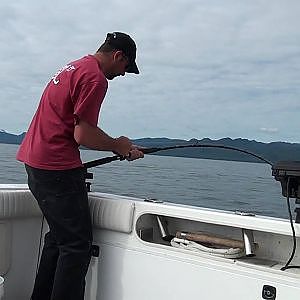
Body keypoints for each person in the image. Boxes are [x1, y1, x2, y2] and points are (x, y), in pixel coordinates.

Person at [16, 32, 144, 300]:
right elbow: (83, 135)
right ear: (118, 56)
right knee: (76, 247)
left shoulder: (73, 67)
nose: (122, 74)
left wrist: (117, 145)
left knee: (59, 240)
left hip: (36, 163)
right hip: (56, 168)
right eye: (125, 68)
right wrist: (119, 145)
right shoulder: (95, 78)